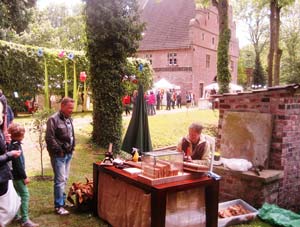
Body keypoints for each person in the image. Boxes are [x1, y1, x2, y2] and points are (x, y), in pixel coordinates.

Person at [45, 97, 75, 215]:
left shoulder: (69, 118)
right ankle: (59, 206)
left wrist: (72, 148)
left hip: (68, 154)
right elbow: (49, 138)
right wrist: (59, 150)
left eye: (72, 107)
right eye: (70, 108)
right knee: (60, 180)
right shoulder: (53, 119)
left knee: (65, 179)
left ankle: (62, 201)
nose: (72, 110)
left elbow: (71, 135)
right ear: (62, 106)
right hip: (59, 155)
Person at [8, 123, 39, 227]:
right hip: (18, 176)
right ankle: (25, 220)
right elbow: (18, 164)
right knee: (25, 195)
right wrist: (24, 177)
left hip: (12, 175)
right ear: (21, 135)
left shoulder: (11, 144)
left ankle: (15, 215)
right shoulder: (16, 147)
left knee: (16, 195)